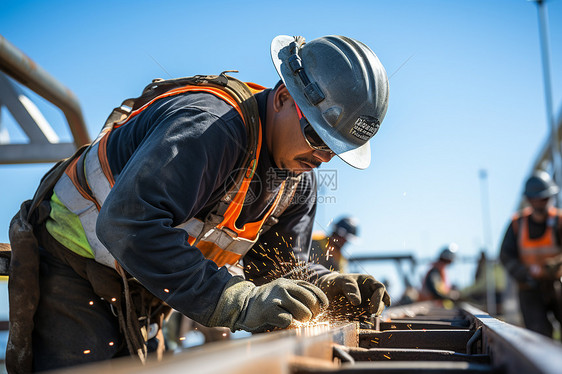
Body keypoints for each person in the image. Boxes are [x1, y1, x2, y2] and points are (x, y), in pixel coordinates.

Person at [7, 34, 391, 372]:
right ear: (284, 98)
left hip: (145, 284)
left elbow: (274, 271)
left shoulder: (298, 181)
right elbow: (126, 224)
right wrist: (234, 303)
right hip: (74, 259)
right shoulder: (210, 128)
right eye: (316, 135)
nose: (322, 156)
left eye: (334, 149)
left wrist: (325, 287)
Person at [500, 171, 562, 339]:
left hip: (557, 285)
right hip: (529, 288)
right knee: (538, 335)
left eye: (545, 198)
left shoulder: (559, 220)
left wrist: (555, 265)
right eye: (538, 199)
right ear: (529, 200)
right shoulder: (517, 224)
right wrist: (524, 274)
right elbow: (505, 255)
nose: (542, 203)